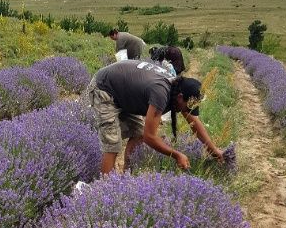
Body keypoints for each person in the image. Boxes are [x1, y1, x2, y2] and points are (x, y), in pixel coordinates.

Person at [87, 59, 224, 175]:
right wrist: (176, 155)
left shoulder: (179, 90)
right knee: (113, 144)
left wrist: (214, 150)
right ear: (181, 97)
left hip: (122, 89)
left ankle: (126, 176)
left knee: (138, 133)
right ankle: (105, 189)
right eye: (189, 105)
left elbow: (195, 123)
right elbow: (150, 137)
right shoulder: (161, 93)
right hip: (103, 88)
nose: (189, 109)